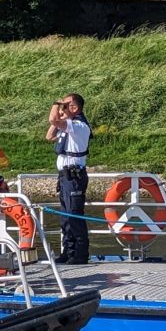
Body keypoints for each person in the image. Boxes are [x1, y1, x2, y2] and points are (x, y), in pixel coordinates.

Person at [46, 93, 92, 265]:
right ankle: (68, 251)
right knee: (65, 217)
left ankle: (80, 253)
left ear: (75, 108)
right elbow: (49, 135)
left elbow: (52, 120)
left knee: (74, 216)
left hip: (74, 176)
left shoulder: (78, 126)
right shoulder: (68, 126)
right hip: (65, 177)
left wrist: (55, 104)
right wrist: (63, 112)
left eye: (66, 106)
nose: (61, 109)